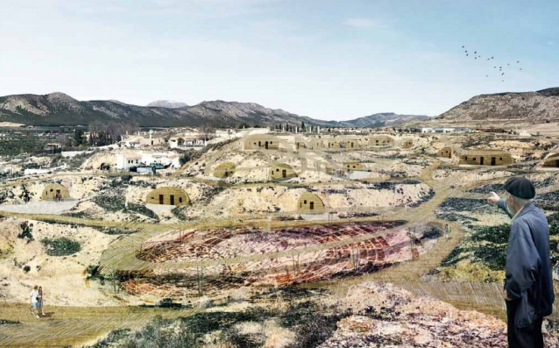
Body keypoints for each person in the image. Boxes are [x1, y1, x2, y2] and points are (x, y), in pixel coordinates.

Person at [488, 177, 554, 348]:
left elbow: (523, 267)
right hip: (540, 294)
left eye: (506, 197)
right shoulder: (537, 214)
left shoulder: (520, 225)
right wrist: (498, 202)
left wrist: (511, 292)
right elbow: (516, 211)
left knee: (521, 340)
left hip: (525, 299)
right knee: (533, 337)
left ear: (511, 198)